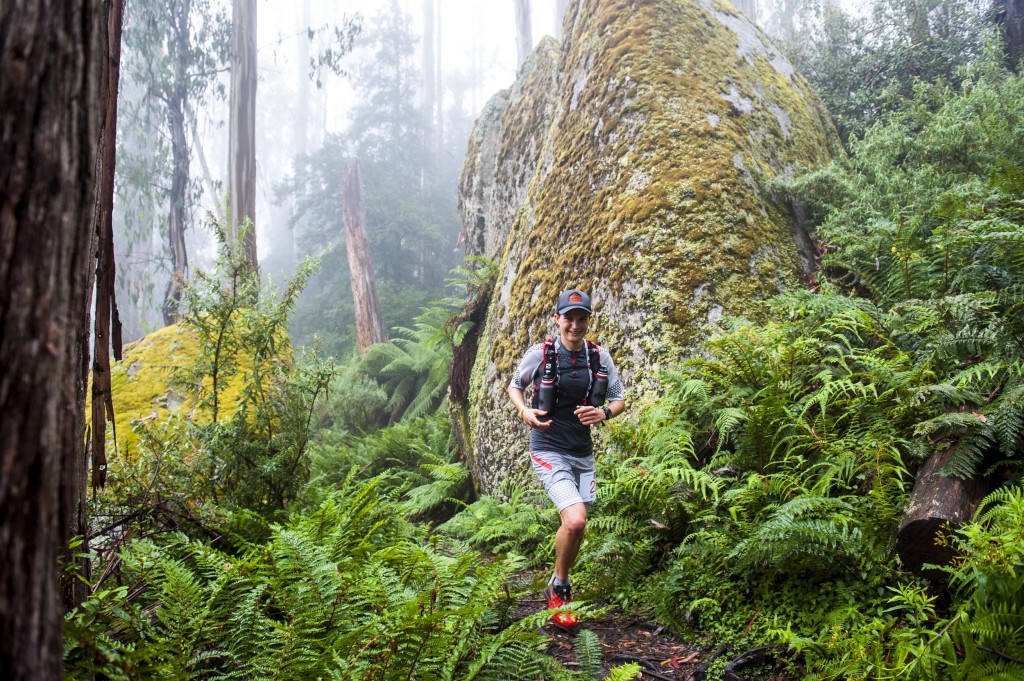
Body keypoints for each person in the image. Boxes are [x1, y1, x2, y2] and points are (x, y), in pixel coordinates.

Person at [507, 289, 626, 626]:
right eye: (569, 317)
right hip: (547, 448)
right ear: (557, 319)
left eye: (581, 318)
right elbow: (515, 385)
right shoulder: (540, 353)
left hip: (582, 454)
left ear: (588, 320)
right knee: (575, 520)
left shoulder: (599, 357)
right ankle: (560, 587)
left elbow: (619, 399)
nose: (575, 324)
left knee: (575, 527)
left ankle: (557, 582)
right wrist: (524, 411)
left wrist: (604, 413)